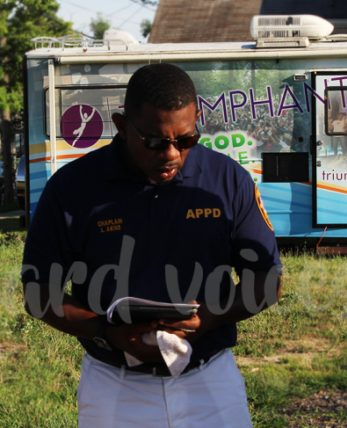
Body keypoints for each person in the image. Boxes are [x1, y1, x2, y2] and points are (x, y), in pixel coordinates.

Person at [22, 63, 282, 427]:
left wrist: (206, 319)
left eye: (187, 139)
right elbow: (38, 293)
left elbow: (267, 281)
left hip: (210, 380)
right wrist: (107, 332)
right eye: (157, 141)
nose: (172, 154)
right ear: (123, 125)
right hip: (114, 385)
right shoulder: (72, 188)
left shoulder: (227, 181)